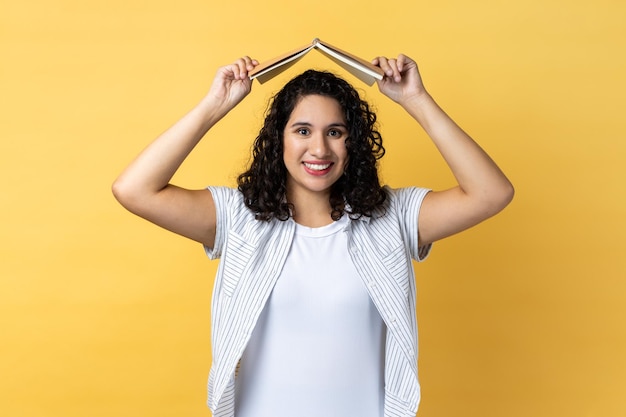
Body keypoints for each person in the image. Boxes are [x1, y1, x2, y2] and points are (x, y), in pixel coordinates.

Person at [112, 53, 514, 417]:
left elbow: (491, 193)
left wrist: (416, 100)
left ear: (352, 142)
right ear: (279, 140)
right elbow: (134, 189)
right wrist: (214, 106)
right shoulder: (238, 217)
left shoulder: (392, 218)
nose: (319, 148)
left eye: (335, 132)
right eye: (302, 131)